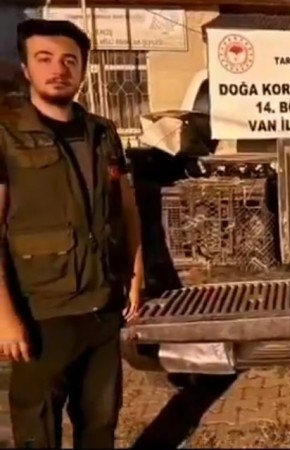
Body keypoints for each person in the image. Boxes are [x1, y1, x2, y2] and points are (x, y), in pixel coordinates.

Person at [0, 19, 144, 448]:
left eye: (69, 60)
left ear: (82, 68)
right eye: (44, 59)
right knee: (38, 429)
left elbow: (127, 210)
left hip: (102, 305)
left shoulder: (102, 132)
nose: (58, 69)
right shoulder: (7, 135)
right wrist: (5, 318)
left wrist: (136, 276)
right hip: (41, 311)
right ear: (26, 68)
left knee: (100, 423)